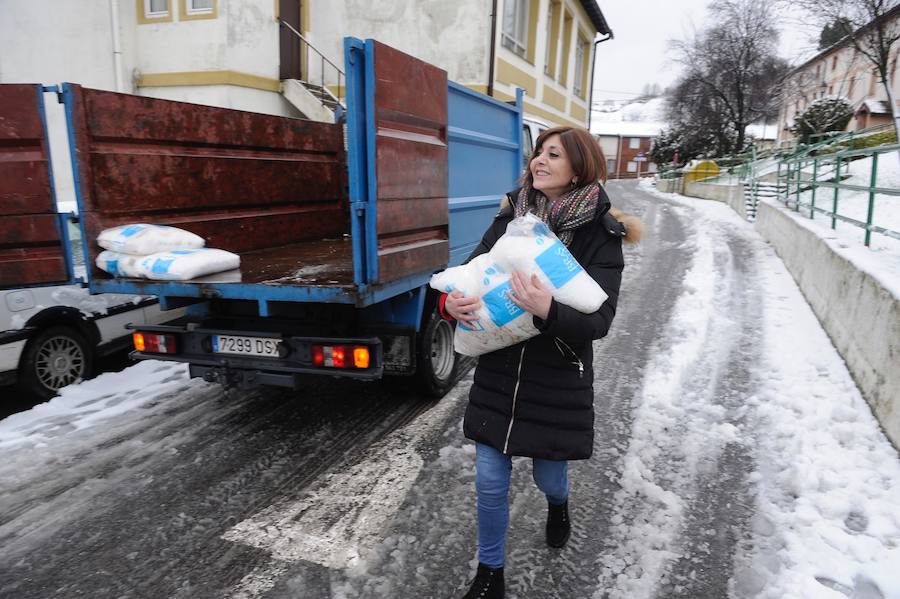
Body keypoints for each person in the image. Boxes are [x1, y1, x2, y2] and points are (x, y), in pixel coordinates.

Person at [440, 126, 641, 599]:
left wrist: (547, 310)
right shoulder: (512, 219)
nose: (539, 161)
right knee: (490, 478)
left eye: (554, 154)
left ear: (579, 168)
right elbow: (470, 273)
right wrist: (450, 305)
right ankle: (490, 574)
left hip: (557, 375)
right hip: (500, 366)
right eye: (538, 153)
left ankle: (559, 505)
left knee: (548, 475)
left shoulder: (601, 233)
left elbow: (601, 319)